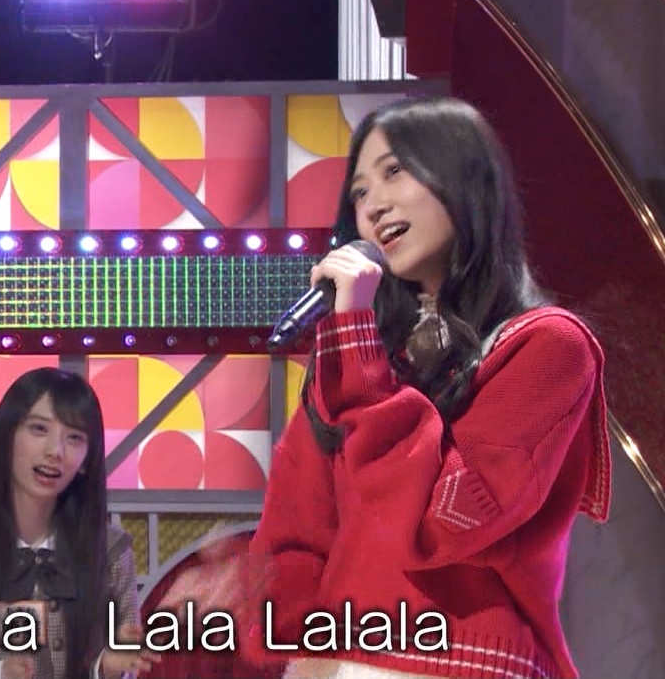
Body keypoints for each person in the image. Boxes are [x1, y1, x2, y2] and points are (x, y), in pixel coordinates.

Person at [166, 97, 612, 679]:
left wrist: (356, 340)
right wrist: (259, 601)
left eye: (394, 171)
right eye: (359, 192)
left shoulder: (548, 346)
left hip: (459, 660)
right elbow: (299, 528)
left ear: (464, 178)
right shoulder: (361, 360)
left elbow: (445, 522)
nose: (373, 205)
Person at [0, 367, 161, 679]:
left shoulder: (110, 551)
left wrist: (105, 669)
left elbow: (127, 663)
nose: (55, 451)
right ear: (6, 437)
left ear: (86, 460)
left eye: (74, 438)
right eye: (39, 429)